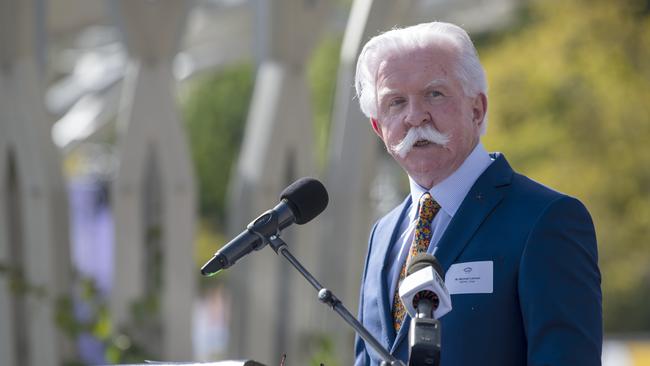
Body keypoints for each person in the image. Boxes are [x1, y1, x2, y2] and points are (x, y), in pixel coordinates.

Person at [353, 22, 602, 365]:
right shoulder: (383, 235)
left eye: (434, 94)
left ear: (477, 108)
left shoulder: (546, 219)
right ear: (379, 127)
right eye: (396, 102)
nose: (415, 116)